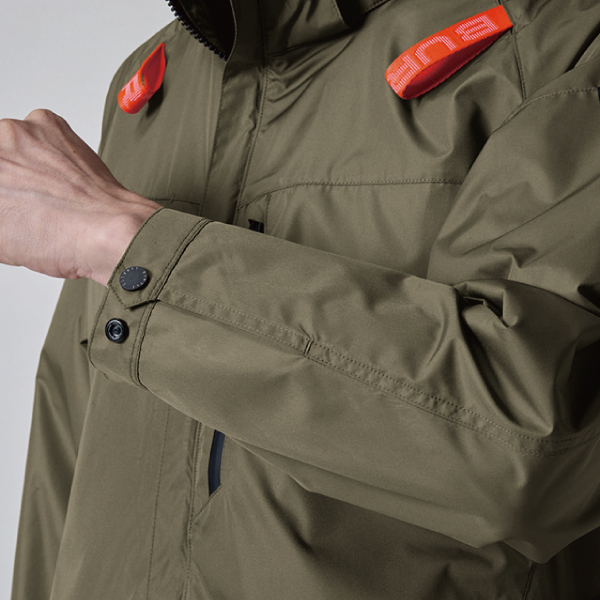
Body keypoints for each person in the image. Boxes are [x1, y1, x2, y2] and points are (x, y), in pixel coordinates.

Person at [4, 0, 600, 598]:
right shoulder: (156, 78)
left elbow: (533, 449)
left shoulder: (559, 35)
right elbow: (66, 443)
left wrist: (129, 244)